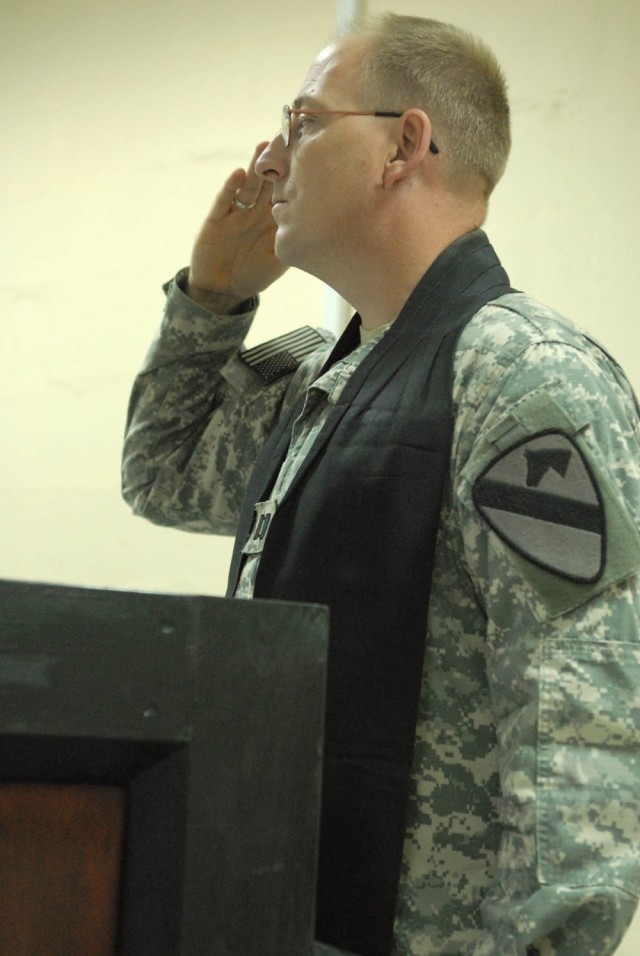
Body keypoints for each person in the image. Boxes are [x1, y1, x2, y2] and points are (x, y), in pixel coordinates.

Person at [122, 13, 640, 956]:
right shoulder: (327, 382)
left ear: (404, 144)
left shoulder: (522, 377)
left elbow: (583, 728)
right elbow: (163, 474)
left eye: (303, 121)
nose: (270, 159)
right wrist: (211, 300)